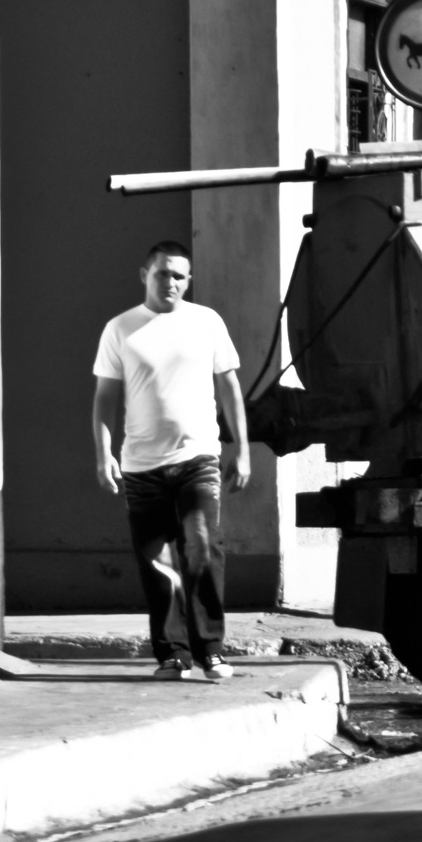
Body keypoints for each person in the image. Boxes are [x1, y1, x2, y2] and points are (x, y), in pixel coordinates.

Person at [92, 240, 250, 682]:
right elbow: (105, 399)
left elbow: (230, 389)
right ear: (145, 274)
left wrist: (241, 447)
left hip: (198, 457)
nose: (172, 282)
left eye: (180, 275)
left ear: (189, 280)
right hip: (142, 467)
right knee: (158, 562)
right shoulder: (120, 329)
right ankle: (173, 655)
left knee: (200, 548)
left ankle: (212, 651)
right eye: (163, 273)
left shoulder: (207, 322)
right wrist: (103, 453)